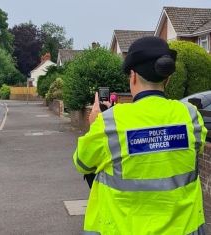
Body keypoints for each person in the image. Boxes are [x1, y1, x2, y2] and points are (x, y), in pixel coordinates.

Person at [73, 36, 207, 235]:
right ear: (167, 78)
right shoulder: (191, 117)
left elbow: (82, 163)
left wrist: (95, 125)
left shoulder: (110, 122)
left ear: (133, 76)